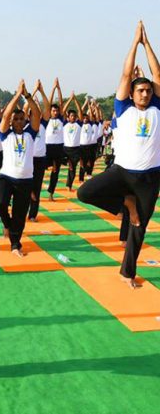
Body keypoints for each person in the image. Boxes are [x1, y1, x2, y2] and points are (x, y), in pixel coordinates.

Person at [78, 21, 160, 289]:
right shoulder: (124, 108)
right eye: (141, 90)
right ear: (132, 93)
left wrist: (148, 44)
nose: (145, 93)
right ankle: (124, 201)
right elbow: (126, 76)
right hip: (122, 172)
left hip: (150, 177)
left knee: (139, 228)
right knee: (85, 192)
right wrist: (135, 43)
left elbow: (157, 76)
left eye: (148, 90)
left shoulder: (157, 108)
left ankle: (127, 273)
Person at [0, 81, 42, 257]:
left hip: (25, 180)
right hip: (6, 177)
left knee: (20, 214)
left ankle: (15, 244)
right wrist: (17, 95)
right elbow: (6, 115)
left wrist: (27, 95)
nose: (19, 121)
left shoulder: (30, 133)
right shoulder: (5, 134)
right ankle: (6, 224)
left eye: (22, 118)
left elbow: (36, 114)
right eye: (16, 119)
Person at [28, 81, 51, 221]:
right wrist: (32, 93)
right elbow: (25, 108)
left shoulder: (43, 124)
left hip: (40, 159)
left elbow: (47, 109)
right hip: (27, 160)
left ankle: (32, 214)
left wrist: (41, 91)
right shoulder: (25, 125)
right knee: (25, 187)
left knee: (36, 188)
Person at [44, 79, 65, 201]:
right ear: (50, 111)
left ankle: (51, 193)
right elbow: (48, 103)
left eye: (57, 110)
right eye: (53, 110)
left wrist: (59, 88)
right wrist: (52, 89)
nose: (55, 112)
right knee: (41, 169)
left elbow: (61, 103)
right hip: (47, 147)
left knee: (56, 171)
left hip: (58, 147)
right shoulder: (47, 119)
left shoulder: (61, 119)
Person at [61, 91, 83, 191]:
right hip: (66, 149)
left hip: (76, 149)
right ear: (68, 117)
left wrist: (76, 100)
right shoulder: (65, 123)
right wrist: (70, 99)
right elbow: (64, 109)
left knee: (73, 170)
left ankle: (69, 185)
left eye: (74, 116)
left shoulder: (79, 124)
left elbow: (80, 111)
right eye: (71, 116)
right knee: (65, 165)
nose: (73, 117)